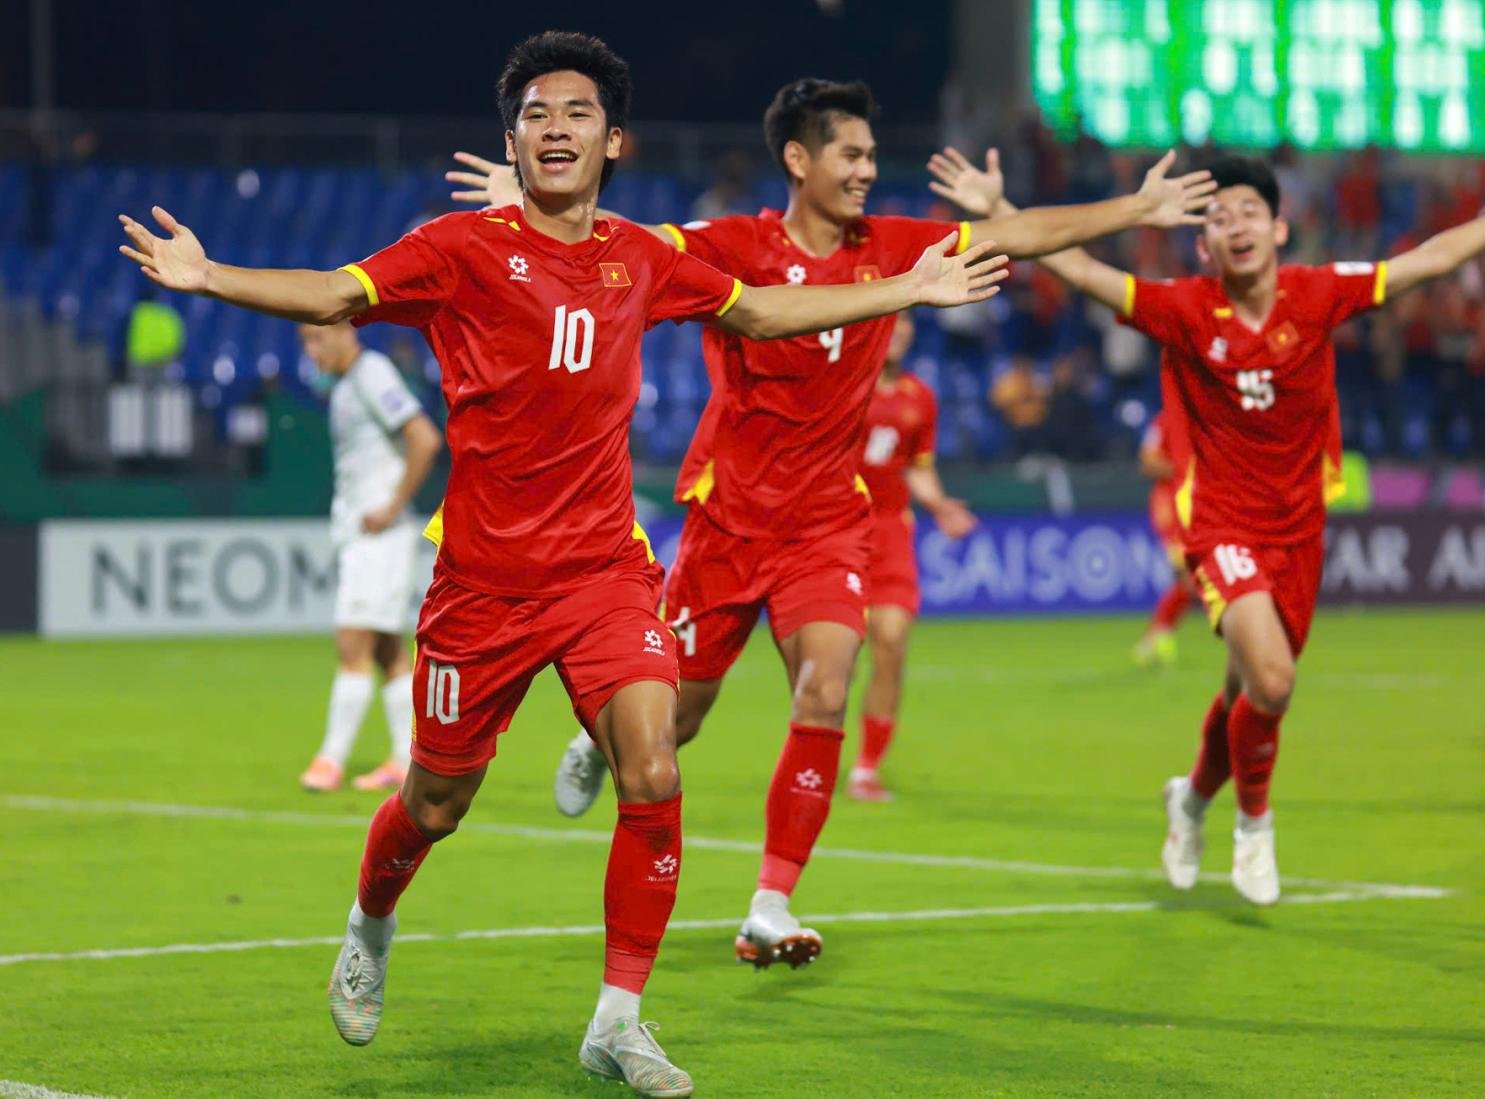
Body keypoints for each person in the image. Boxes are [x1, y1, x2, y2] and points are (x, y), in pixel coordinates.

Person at [118, 32, 1007, 1097]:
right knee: (434, 803)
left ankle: (617, 1020)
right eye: (534, 113)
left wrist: (904, 288)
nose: (554, 127)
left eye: (577, 112)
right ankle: (371, 922)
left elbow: (762, 310)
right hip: (482, 587)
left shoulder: (642, 256)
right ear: (512, 141)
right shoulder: (458, 249)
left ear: (613, 140)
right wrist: (206, 275)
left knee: (655, 769)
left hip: (603, 575)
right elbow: (331, 296)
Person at [452, 78, 1216, 969]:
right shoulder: (734, 244)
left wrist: (1137, 208)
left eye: (871, 156)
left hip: (825, 525)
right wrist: (532, 210)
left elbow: (1018, 235)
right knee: (677, 719)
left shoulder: (889, 245)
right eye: (850, 154)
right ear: (799, 159)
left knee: (825, 687)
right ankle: (597, 742)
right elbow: (626, 244)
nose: (866, 171)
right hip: (728, 523)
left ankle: (771, 903)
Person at [927, 142, 1485, 904]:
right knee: (1274, 681)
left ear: (1279, 229)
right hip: (1221, 525)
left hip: (1299, 533)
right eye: (1218, 217)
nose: (1236, 225)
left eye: (1250, 212)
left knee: (1245, 693)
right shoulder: (1186, 308)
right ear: (1203, 244)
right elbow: (1080, 270)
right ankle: (1253, 824)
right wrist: (998, 210)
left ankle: (1190, 801)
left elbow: (1433, 259)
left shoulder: (1318, 294)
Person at [297, 321, 441, 793]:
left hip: (379, 538)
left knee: (352, 643)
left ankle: (330, 760)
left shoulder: (372, 373)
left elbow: (424, 436)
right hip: (362, 536)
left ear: (345, 330)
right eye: (305, 342)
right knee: (386, 651)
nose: (311, 351)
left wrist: (392, 506)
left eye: (316, 338)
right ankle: (406, 760)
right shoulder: (345, 386)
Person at [848, 310, 977, 802]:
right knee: (833, 657)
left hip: (890, 532)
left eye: (905, 325)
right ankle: (813, 754)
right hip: (836, 527)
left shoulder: (919, 397)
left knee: (892, 640)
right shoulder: (845, 385)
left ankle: (867, 766)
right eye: (891, 322)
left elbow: (917, 467)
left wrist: (939, 505)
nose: (899, 331)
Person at [1131, 392, 1196, 669]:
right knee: (1189, 577)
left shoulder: (1205, 420)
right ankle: (1155, 636)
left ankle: (1158, 635)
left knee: (1192, 581)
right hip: (1170, 506)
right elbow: (1147, 462)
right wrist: (1184, 471)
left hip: (1198, 505)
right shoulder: (1164, 421)